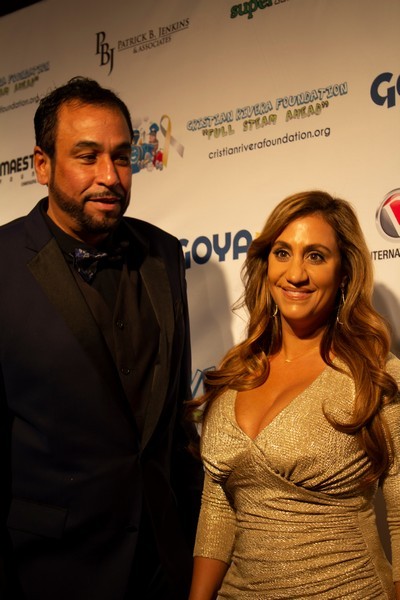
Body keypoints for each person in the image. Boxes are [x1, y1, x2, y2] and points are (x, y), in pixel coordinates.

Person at [0, 76, 202, 600]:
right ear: (42, 165)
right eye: (87, 157)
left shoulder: (163, 253)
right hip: (48, 569)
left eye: (121, 157)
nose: (109, 176)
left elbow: (174, 421)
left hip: (161, 564)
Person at [189, 191, 400, 599]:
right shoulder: (237, 373)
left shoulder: (374, 374)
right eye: (283, 253)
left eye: (316, 256)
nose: (296, 274)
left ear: (344, 272)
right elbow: (217, 508)